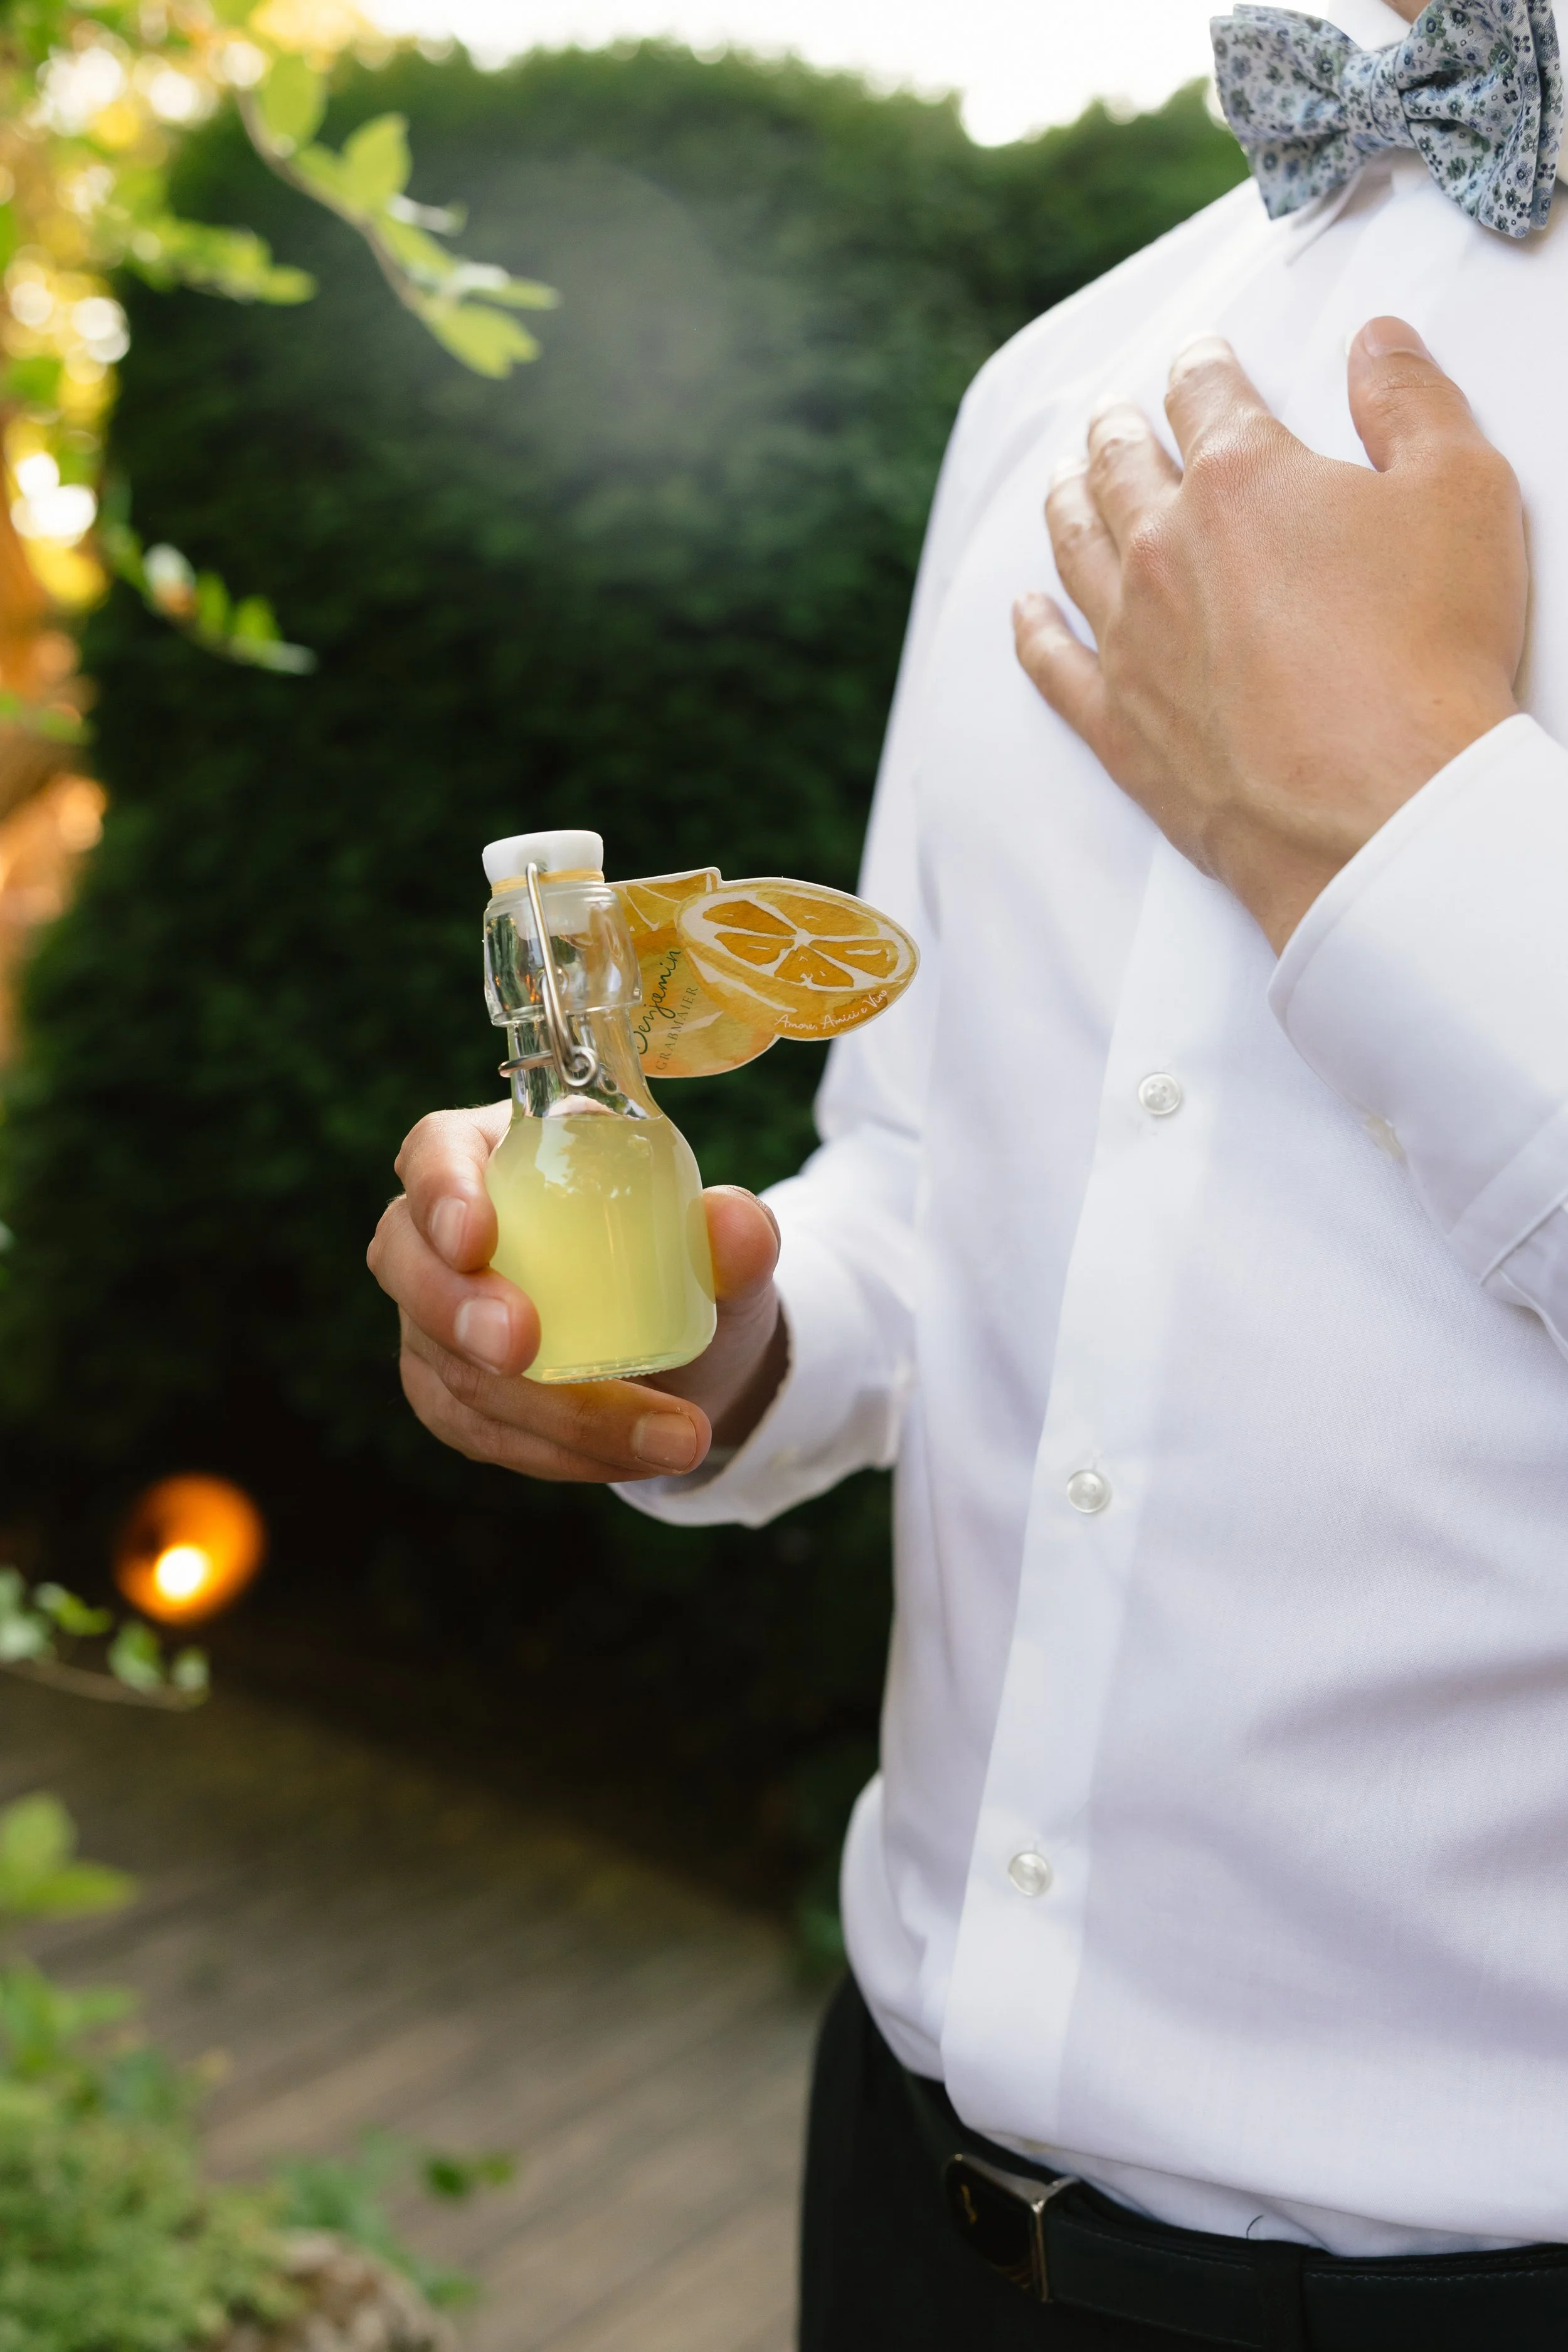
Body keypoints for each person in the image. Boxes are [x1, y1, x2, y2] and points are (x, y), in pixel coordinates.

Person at [368, 0, 1568, 2339]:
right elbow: (931, 1168)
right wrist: (733, 1330)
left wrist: (1405, 828)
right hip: (908, 2188)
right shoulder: (1060, 377)